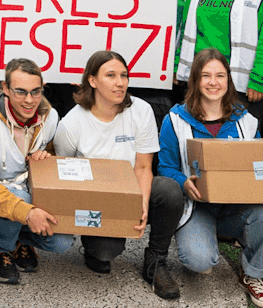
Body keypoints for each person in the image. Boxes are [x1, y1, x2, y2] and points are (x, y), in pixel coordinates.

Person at [47, 48, 182, 293]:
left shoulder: (141, 110)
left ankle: (156, 260)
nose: (120, 83)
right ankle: (92, 246)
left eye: (124, 75)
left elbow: (143, 166)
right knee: (105, 252)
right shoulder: (71, 124)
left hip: (132, 187)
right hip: (94, 197)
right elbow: (64, 172)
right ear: (92, 80)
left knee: (169, 191)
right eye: (110, 75)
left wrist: (140, 204)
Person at [158, 49, 263, 308]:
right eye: (206, 76)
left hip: (237, 206)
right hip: (197, 207)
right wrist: (183, 183)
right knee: (199, 261)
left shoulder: (246, 121)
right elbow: (165, 167)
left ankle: (253, 273)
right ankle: (204, 239)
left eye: (220, 75)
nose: (213, 82)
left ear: (228, 80)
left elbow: (258, 167)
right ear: (195, 80)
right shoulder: (175, 120)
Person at [0, 58, 76, 284]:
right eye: (21, 92)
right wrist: (26, 212)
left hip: (32, 198)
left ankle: (18, 239)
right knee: (20, 196)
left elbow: (59, 166)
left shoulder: (51, 116)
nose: (29, 100)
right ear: (5, 89)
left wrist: (48, 158)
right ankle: (3, 250)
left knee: (62, 242)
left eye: (36, 92)